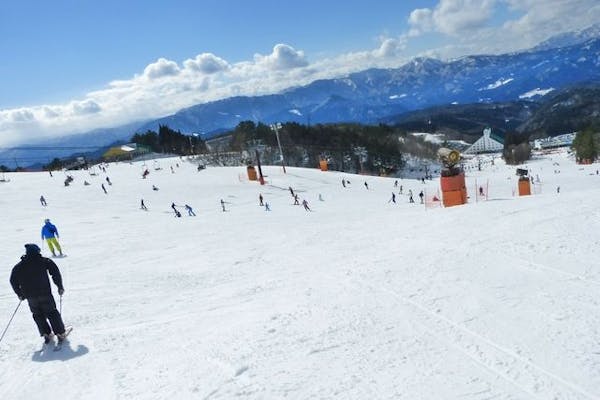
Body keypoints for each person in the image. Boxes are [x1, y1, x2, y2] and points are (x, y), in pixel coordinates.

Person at [10, 243, 67, 344]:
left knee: (37, 314)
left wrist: (19, 294)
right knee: (52, 312)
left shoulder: (19, 266)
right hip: (45, 293)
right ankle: (60, 333)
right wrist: (60, 286)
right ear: (37, 251)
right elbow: (55, 273)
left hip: (30, 296)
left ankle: (46, 334)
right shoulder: (44, 261)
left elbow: (13, 280)